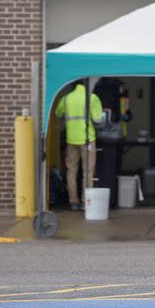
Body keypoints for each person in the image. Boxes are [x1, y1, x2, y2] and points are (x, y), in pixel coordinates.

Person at [55, 79, 104, 211]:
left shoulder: (66, 98)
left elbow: (58, 114)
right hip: (88, 139)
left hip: (71, 139)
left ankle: (73, 202)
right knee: (87, 172)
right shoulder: (92, 98)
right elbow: (98, 119)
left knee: (71, 171)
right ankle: (85, 202)